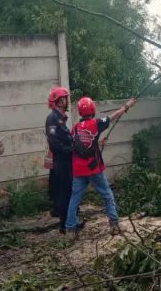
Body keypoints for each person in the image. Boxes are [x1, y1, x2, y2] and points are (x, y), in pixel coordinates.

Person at [65, 96, 137, 238]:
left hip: (79, 170)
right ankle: (114, 224)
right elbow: (114, 116)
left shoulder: (75, 128)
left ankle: (70, 230)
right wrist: (127, 106)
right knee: (107, 194)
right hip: (93, 169)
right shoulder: (96, 123)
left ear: (80, 112)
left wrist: (97, 143)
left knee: (74, 199)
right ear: (93, 109)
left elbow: (80, 146)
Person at [45, 86, 75, 233]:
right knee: (64, 194)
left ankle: (70, 222)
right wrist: (71, 150)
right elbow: (54, 143)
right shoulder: (53, 118)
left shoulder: (61, 118)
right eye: (66, 98)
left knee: (68, 192)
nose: (68, 100)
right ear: (61, 100)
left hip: (66, 161)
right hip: (61, 163)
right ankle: (65, 226)